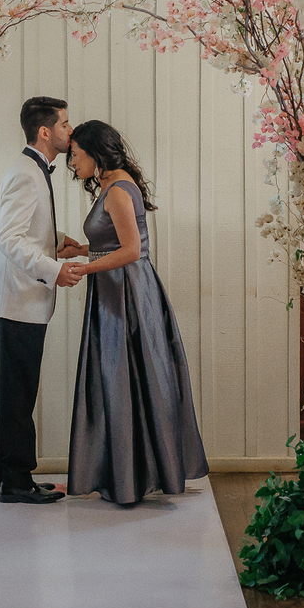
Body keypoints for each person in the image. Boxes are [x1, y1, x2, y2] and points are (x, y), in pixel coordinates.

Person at [61, 120, 208, 505]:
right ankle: (126, 475)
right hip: (116, 290)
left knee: (124, 379)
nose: (72, 164)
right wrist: (81, 250)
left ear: (94, 153)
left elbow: (131, 251)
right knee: (123, 380)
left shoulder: (117, 189)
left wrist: (84, 269)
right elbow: (117, 242)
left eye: (75, 156)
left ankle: (130, 478)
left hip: (127, 294)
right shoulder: (112, 184)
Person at [0, 96, 84, 504]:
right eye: (64, 124)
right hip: (19, 300)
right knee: (17, 395)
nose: (70, 131)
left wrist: (56, 242)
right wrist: (53, 270)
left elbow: (24, 234)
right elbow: (8, 239)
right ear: (45, 131)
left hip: (20, 301)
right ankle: (16, 480)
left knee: (14, 393)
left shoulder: (31, 169)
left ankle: (5, 474)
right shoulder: (27, 173)